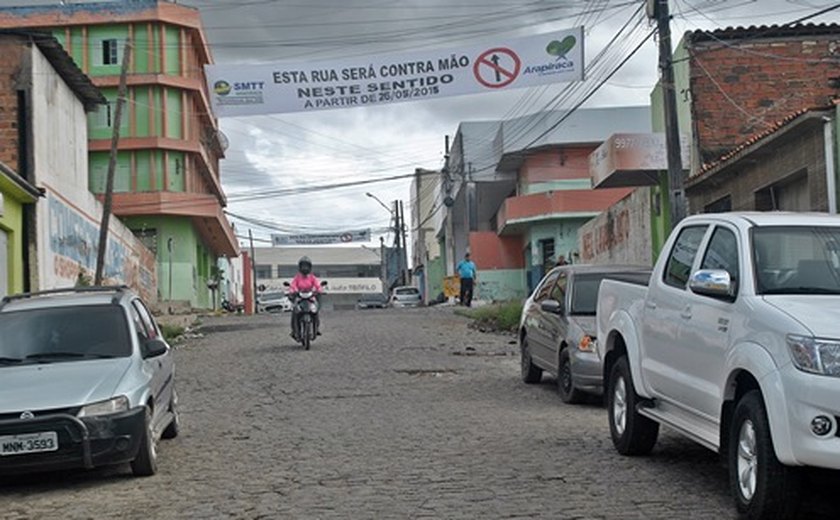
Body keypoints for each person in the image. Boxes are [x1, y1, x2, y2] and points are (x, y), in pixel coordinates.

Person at [289, 256, 323, 338]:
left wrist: (319, 290)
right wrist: (293, 291)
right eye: (303, 266)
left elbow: (317, 285)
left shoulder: (312, 277)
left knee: (315, 311)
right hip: (300, 298)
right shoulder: (297, 277)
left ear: (310, 267)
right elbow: (293, 285)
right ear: (300, 267)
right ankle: (294, 330)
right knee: (295, 312)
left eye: (306, 266)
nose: (305, 268)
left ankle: (316, 328)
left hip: (310, 297)